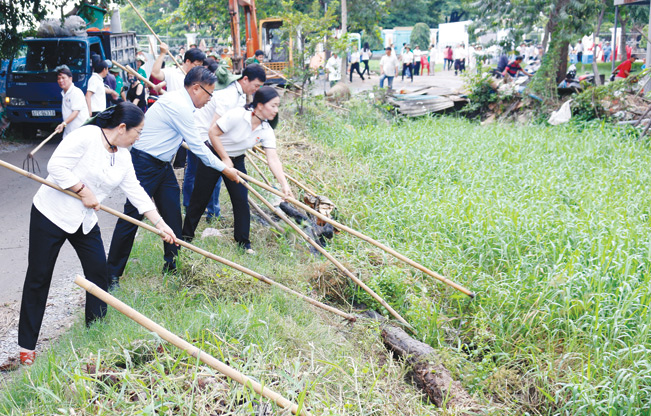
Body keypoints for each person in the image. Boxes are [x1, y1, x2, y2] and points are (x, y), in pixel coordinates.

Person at [17, 102, 176, 366]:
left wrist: (159, 222)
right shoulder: (86, 135)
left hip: (84, 221)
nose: (139, 137)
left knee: (99, 273)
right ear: (122, 127)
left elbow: (135, 190)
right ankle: (26, 348)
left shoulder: (123, 155)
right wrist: (83, 190)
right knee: (39, 276)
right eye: (138, 131)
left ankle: (95, 332)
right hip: (51, 213)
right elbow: (56, 166)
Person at [106, 67, 240, 284]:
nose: (210, 99)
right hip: (144, 164)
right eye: (209, 93)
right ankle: (111, 274)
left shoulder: (183, 103)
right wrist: (225, 169)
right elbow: (197, 145)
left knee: (172, 214)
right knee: (132, 218)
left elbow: (192, 139)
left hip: (162, 165)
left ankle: (172, 266)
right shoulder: (179, 105)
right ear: (196, 88)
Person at [182, 87, 293, 253]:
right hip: (213, 156)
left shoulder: (266, 130)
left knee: (241, 200)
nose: (276, 110)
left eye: (278, 106)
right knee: (200, 199)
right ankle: (185, 239)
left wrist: (284, 184)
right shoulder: (237, 116)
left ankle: (243, 244)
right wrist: (224, 159)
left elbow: (273, 159)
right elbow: (213, 133)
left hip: (236, 160)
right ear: (260, 105)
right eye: (273, 105)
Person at [184, 64, 266, 222]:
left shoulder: (240, 94)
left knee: (230, 191)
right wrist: (225, 157)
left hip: (217, 142)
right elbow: (213, 129)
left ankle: (214, 215)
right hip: (204, 140)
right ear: (245, 79)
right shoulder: (229, 96)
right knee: (203, 189)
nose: (257, 89)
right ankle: (201, 219)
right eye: (256, 85)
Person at [54, 65, 89, 138]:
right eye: (59, 78)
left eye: (63, 78)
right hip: (70, 131)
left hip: (80, 132)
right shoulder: (64, 93)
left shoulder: (76, 92)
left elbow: (75, 112)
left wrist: (63, 124)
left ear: (70, 78)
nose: (60, 81)